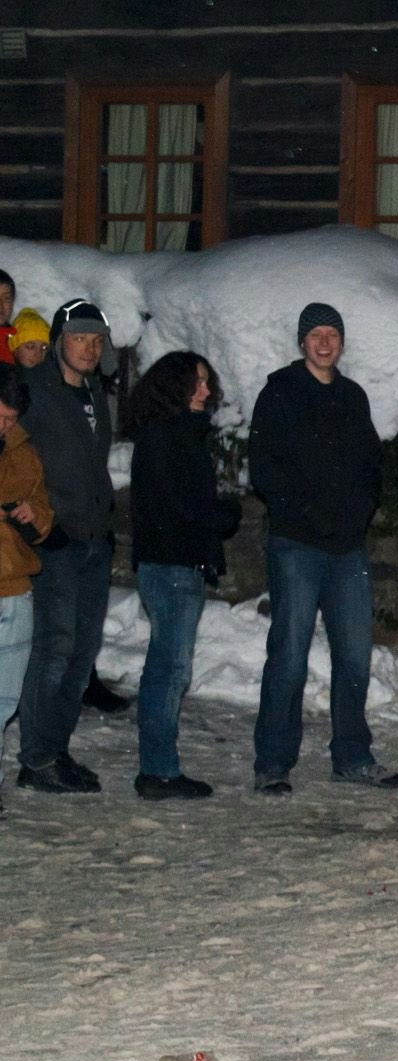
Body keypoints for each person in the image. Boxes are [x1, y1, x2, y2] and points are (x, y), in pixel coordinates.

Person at [248, 302, 398, 794]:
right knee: (289, 655)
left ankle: (352, 757)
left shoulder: (353, 397)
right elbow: (264, 468)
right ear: (301, 342)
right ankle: (273, 762)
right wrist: (299, 512)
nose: (323, 341)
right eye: (315, 333)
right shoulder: (280, 392)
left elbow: (370, 464)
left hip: (348, 548)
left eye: (331, 333)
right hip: (297, 544)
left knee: (355, 657)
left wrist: (362, 509)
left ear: (341, 342)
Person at [126, 351, 240, 799]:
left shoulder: (177, 435)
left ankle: (159, 767)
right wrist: (223, 514)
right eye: (197, 382)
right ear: (175, 387)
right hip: (171, 566)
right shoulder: (165, 437)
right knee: (168, 670)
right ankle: (158, 770)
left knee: (169, 667)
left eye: (207, 382)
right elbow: (178, 508)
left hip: (176, 565)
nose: (207, 391)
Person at [15, 299, 117, 794]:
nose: (89, 348)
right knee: (54, 648)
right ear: (59, 341)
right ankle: (36, 759)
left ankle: (54, 749)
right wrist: (28, 514)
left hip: (94, 539)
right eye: (79, 337)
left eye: (97, 340)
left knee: (82, 652)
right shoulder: (35, 391)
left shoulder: (96, 392)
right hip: (55, 540)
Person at [0, 364, 55, 818]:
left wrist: (30, 516)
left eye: (11, 419)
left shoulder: (25, 454)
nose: (5, 426)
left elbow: (44, 516)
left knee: (3, 701)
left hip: (16, 588)